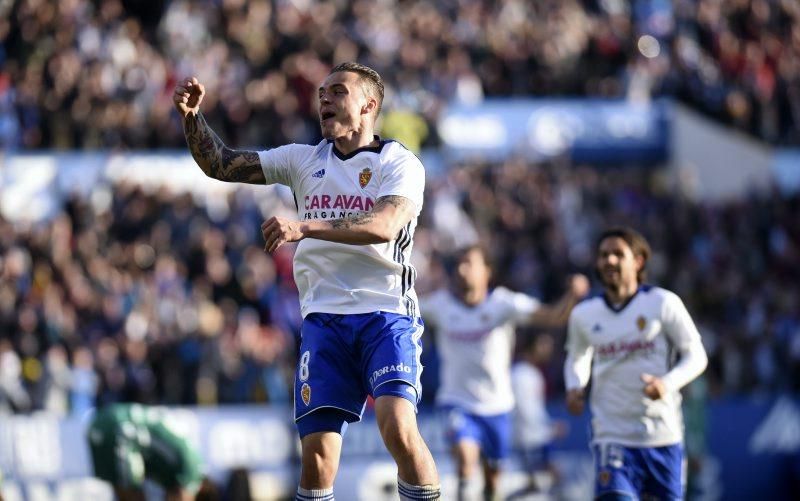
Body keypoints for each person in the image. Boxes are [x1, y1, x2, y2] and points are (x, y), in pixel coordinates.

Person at [173, 62, 441, 500]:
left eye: (337, 91)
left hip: (385, 313)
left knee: (397, 427)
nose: (324, 99)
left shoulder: (400, 162)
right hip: (323, 322)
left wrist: (305, 226)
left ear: (369, 104)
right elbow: (221, 164)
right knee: (317, 459)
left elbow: (384, 224)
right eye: (321, 93)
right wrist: (191, 119)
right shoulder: (304, 159)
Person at [421, 245, 588, 501]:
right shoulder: (441, 304)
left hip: (497, 407)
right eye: (459, 265)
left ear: (486, 271)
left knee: (492, 482)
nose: (462, 270)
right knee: (465, 460)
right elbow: (402, 307)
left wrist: (572, 296)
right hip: (457, 402)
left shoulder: (504, 303)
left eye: (469, 264)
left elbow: (553, 317)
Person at [564, 227, 708, 500]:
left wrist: (666, 384)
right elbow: (577, 356)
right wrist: (574, 385)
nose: (609, 261)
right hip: (612, 436)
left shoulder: (664, 303)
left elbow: (697, 355)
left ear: (638, 261)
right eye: (604, 255)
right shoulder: (584, 314)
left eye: (618, 254)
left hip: (662, 436)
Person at [86, 403, 204, 501]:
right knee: (131, 490)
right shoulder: (193, 469)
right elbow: (182, 496)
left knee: (122, 486)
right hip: (122, 429)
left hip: (99, 421)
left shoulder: (183, 458)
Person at [507, 333, 566, 499]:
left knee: (537, 484)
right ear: (532, 347)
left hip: (535, 436)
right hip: (530, 439)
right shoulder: (521, 374)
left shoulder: (532, 373)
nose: (548, 350)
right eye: (543, 345)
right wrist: (549, 429)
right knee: (549, 478)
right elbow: (526, 410)